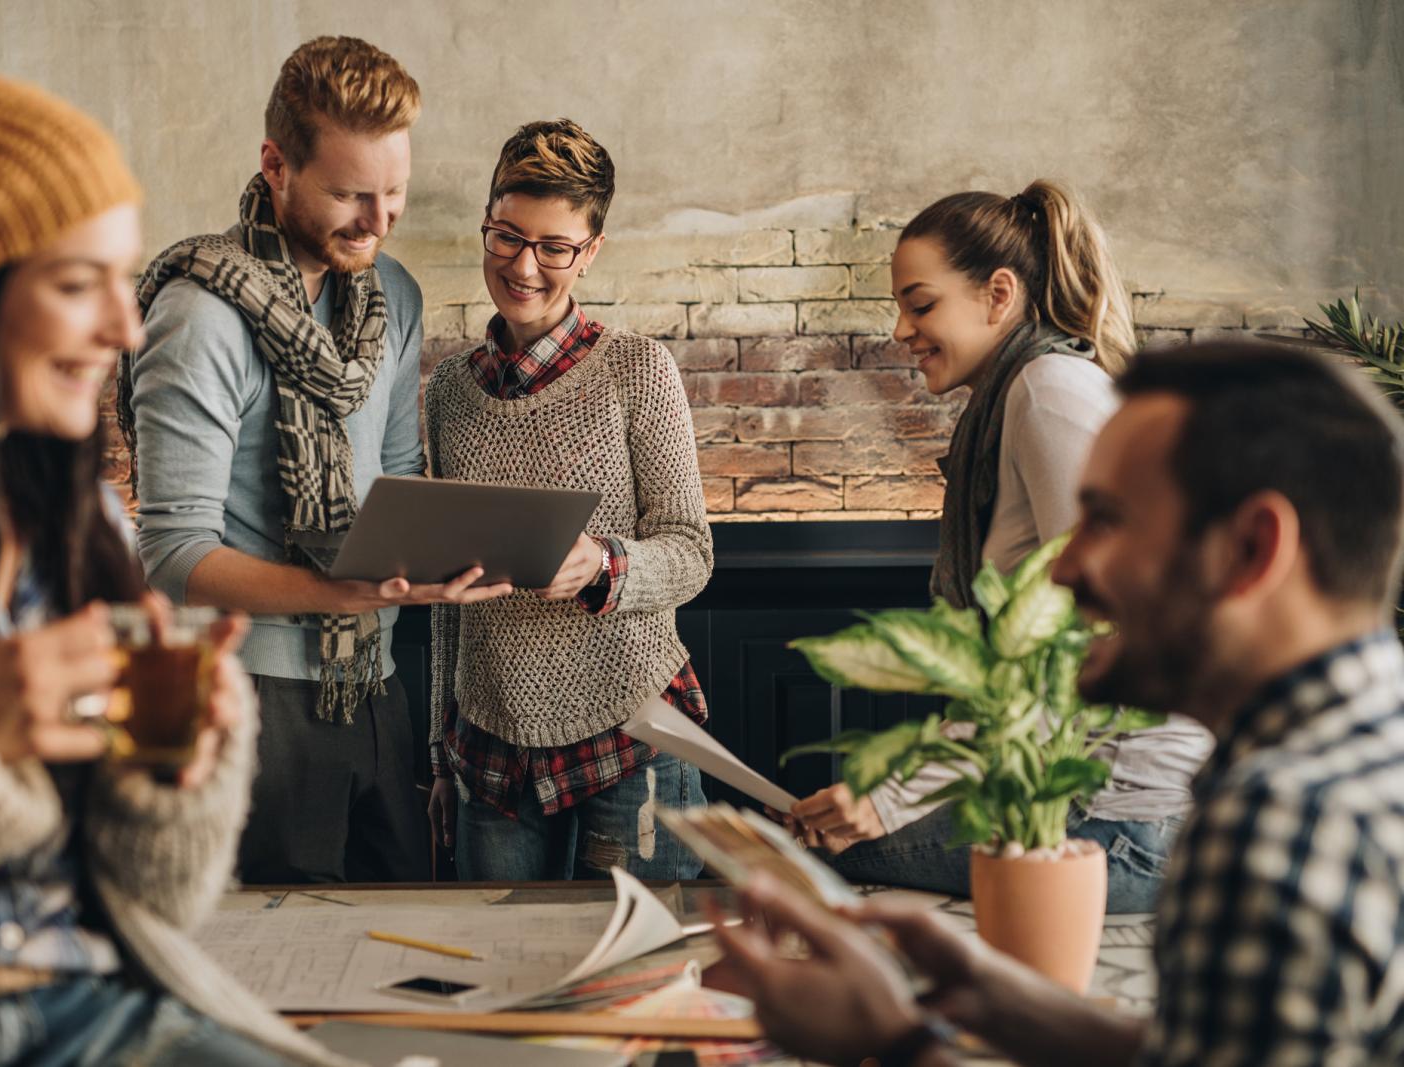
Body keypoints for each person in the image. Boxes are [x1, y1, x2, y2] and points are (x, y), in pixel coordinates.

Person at [0, 69, 349, 1067]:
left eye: (122, 276)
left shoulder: (81, 513)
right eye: (73, 284)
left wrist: (173, 769)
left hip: (93, 1012)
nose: (126, 328)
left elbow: (157, 903)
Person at [717, 341, 1404, 1066]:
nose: (1065, 564)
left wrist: (894, 1038)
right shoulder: (1363, 743)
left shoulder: (1275, 822)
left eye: (1105, 520)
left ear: (1250, 549)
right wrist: (1006, 1000)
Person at [120, 36, 509, 886]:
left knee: (408, 939)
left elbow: (398, 475)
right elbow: (173, 553)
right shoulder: (198, 320)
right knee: (289, 971)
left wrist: (446, 552)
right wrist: (348, 592)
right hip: (254, 698)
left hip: (376, 681)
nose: (378, 221)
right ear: (277, 166)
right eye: (349, 195)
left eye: (395, 193)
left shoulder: (391, 295)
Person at [790, 181, 1212, 911]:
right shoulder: (1029, 393)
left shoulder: (1048, 392)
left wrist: (889, 800)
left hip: (1119, 821)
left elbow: (1070, 649)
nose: (900, 329)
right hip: (1094, 799)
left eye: (921, 304)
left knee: (803, 855)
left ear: (999, 294)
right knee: (807, 837)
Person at [423, 119, 713, 881]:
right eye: (506, 236)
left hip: (630, 742)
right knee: (504, 991)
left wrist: (602, 565)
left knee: (635, 990)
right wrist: (438, 760)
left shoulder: (638, 372)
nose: (524, 265)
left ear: (591, 251)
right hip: (489, 757)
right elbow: (449, 602)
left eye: (554, 247)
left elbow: (691, 551)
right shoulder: (450, 392)